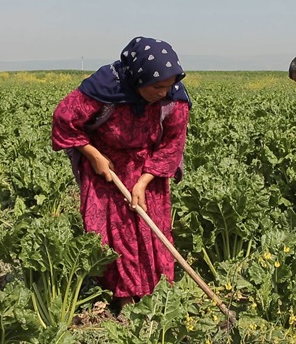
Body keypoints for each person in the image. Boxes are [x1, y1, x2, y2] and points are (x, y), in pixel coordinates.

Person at [51, 36, 191, 308]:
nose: (164, 92)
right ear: (138, 78)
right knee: (112, 232)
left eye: (169, 85)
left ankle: (154, 295)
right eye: (157, 86)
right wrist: (93, 156)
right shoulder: (103, 89)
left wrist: (144, 181)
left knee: (151, 232)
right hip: (107, 169)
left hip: (149, 169)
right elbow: (65, 121)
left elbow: (173, 143)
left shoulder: (175, 99)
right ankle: (122, 297)